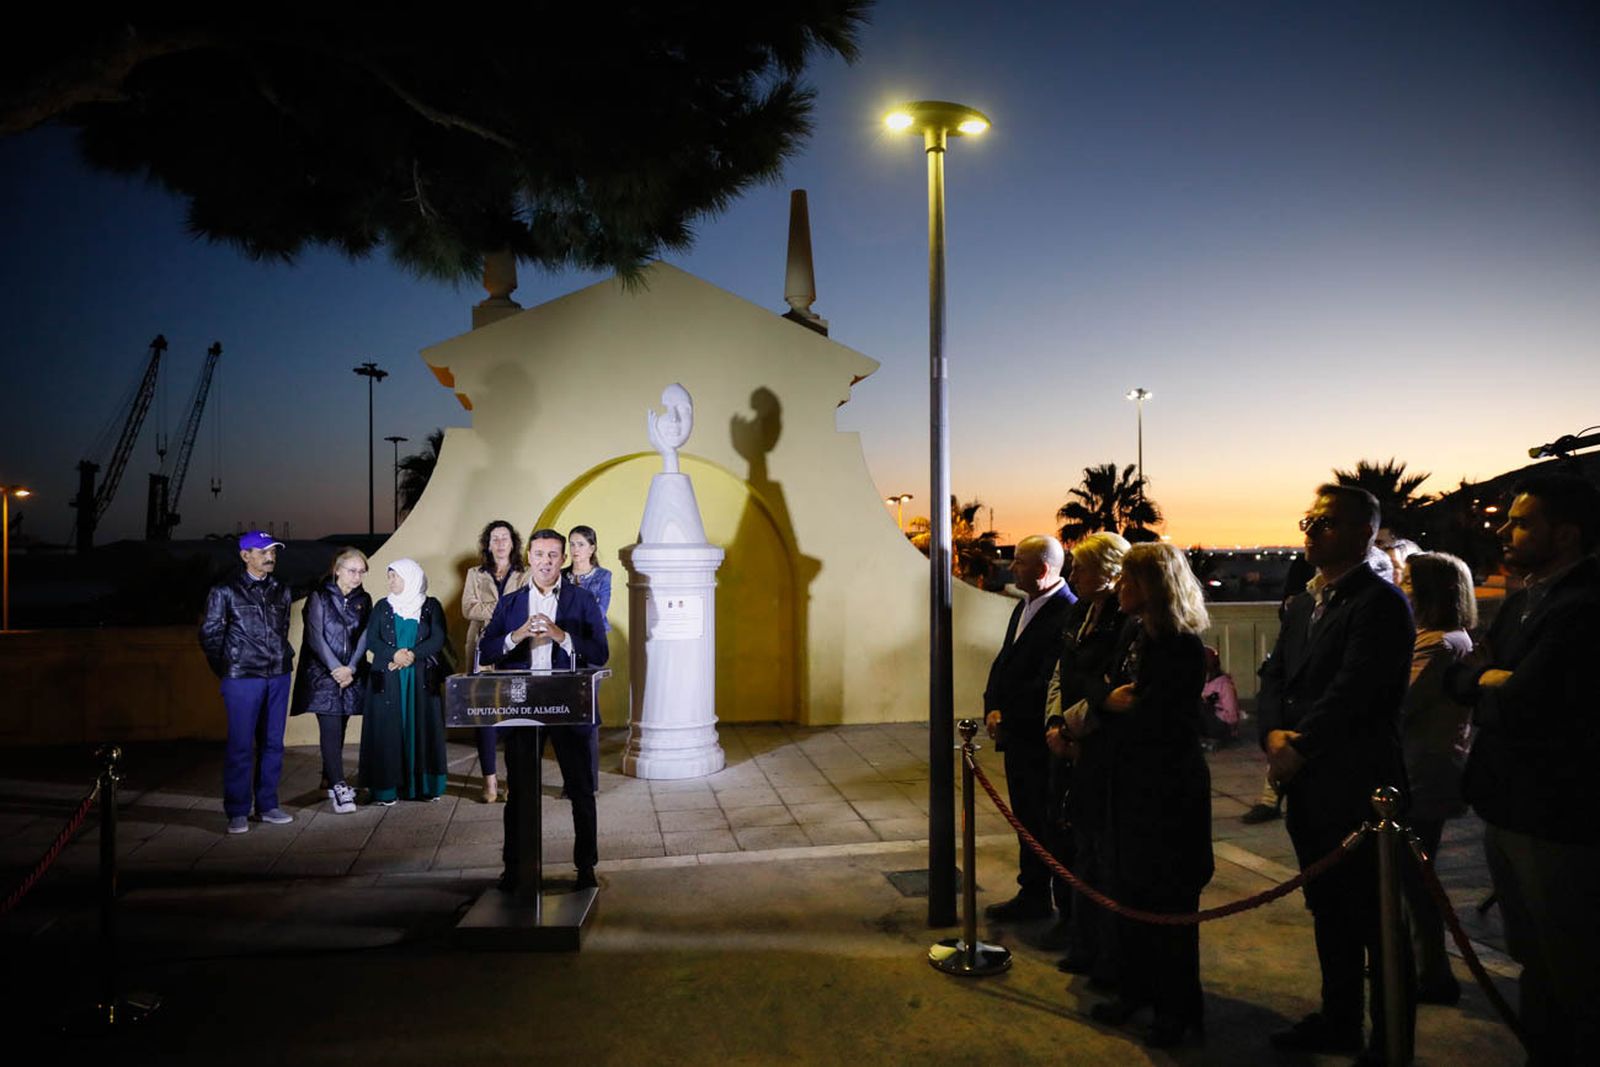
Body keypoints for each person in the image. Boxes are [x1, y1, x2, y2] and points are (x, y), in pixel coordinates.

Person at [1445, 474, 1600, 1063]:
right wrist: (1489, 679)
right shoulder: (1521, 603)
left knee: (1572, 965)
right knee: (1534, 958)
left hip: (1558, 815)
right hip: (1507, 806)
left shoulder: (1583, 606)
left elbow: (1529, 702)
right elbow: (1459, 680)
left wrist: (1493, 683)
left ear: (1566, 534)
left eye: (1522, 522)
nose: (1505, 531)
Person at [1258, 484, 1415, 1062]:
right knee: (1328, 911)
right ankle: (1339, 1019)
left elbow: (1360, 690)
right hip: (1310, 783)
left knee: (1375, 919)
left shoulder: (1379, 602)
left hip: (1360, 787)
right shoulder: (1303, 602)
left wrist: (1301, 744)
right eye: (1308, 520)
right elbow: (1275, 676)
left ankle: (1390, 1038)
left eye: (1323, 522)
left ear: (1361, 532)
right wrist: (1272, 734)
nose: (1309, 530)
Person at [1082, 542, 1214, 1049]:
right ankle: (1135, 990)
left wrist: (1111, 708)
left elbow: (1150, 715)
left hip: (1167, 793)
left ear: (1153, 587)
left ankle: (1176, 1009)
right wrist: (1108, 702)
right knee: (1129, 893)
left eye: (1128, 581)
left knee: (1169, 904)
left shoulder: (1178, 646)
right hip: (1131, 785)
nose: (1119, 588)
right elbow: (1104, 685)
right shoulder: (1137, 633)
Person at [480, 528, 609, 891]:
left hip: (568, 703)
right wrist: (516, 635)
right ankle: (513, 868)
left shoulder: (581, 601)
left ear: (564, 558)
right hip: (523, 704)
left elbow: (600, 654)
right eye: (539, 554)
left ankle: (586, 869)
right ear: (530, 558)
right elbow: (487, 651)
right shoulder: (510, 603)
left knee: (581, 791)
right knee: (519, 793)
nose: (546, 562)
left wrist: (560, 636)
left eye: (553, 555)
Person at [1044, 531, 1130, 980]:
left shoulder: (1123, 618)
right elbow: (1063, 672)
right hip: (1072, 740)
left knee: (1103, 856)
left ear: (1111, 571)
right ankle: (1083, 941)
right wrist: (1055, 724)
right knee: (1079, 849)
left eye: (1081, 567)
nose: (1072, 573)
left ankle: (1106, 956)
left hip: (1098, 747)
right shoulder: (1081, 612)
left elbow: (1111, 686)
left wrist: (1074, 727)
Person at [981, 535, 1076, 925]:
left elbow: (1048, 681)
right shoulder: (1025, 605)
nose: (1011, 567)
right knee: (1026, 818)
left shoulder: (1066, 611)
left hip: (1040, 740)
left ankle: (1062, 908)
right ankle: (1031, 893)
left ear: (1041, 569)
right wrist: (993, 707)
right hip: (1017, 736)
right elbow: (1005, 663)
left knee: (1047, 823)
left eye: (1018, 562)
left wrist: (1011, 717)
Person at [1396, 551, 1476, 1006]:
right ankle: (1424, 965)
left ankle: (1432, 972)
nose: (1401, 586)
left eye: (1408, 580)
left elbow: (1400, 702)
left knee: (1414, 878)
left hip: (1423, 771)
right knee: (1412, 877)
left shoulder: (1439, 644)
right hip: (1425, 767)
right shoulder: (1441, 638)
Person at [200, 530, 296, 834]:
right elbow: (210, 635)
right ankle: (238, 810)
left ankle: (267, 805)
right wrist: (229, 669)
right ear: (245, 556)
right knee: (241, 746)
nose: (270, 557)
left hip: (278, 674)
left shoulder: (282, 589)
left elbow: (283, 628)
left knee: (272, 743)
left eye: (273, 551)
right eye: (263, 551)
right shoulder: (224, 590)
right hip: (242, 678)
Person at [359, 559, 450, 804]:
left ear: (411, 578)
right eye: (389, 577)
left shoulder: (431, 606)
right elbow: (372, 641)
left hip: (420, 678)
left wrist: (410, 656)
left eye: (394, 576)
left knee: (423, 727)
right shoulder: (381, 606)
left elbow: (438, 638)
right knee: (386, 732)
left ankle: (426, 787)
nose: (390, 581)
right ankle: (387, 790)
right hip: (387, 679)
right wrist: (394, 655)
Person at [290, 548, 371, 814]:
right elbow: (315, 636)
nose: (357, 576)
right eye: (352, 570)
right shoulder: (319, 596)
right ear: (337, 569)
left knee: (341, 725)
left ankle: (328, 778)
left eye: (361, 571)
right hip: (323, 676)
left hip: (350, 675)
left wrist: (352, 668)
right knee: (331, 728)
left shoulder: (364, 599)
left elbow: (364, 637)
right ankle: (339, 786)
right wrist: (336, 668)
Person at [462, 520, 529, 803]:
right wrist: (503, 608)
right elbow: (468, 608)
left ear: (513, 543)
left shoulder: (526, 573)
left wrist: (493, 610)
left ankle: (513, 779)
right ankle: (489, 781)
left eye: (504, 537)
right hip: (482, 649)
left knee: (517, 717)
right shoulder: (474, 574)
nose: (500, 542)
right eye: (494, 538)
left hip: (518, 649)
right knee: (485, 716)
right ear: (488, 544)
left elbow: (526, 607)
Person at [1196, 645, 1240, 750]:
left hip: (1223, 725)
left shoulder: (1224, 685)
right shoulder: (1202, 682)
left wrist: (1211, 708)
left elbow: (1232, 716)